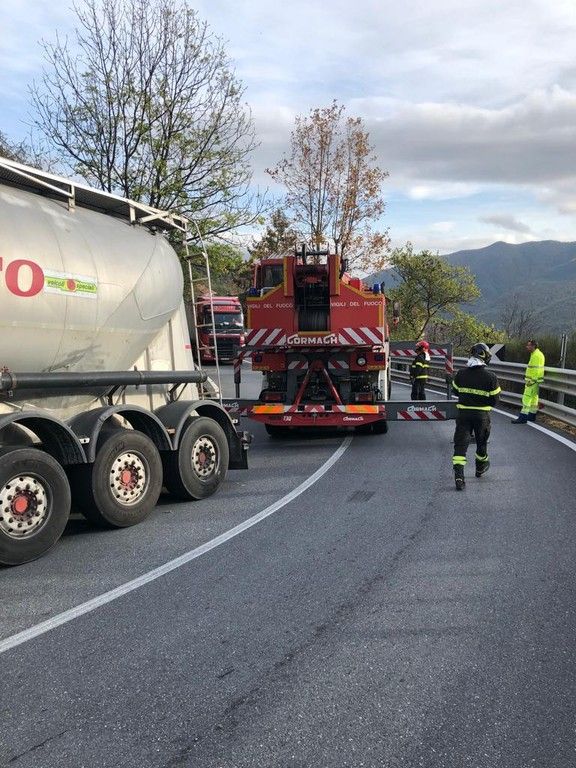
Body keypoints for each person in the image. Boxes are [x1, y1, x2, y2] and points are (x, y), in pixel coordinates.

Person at [452, 343, 501, 491]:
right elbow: (495, 400)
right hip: (482, 416)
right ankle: (480, 467)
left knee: (460, 445)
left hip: (463, 415)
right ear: (485, 357)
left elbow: (456, 391)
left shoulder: (460, 374)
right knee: (481, 443)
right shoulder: (491, 377)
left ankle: (459, 476)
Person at [511, 339, 545, 424]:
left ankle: (523, 418)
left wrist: (531, 381)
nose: (527, 347)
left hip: (532, 381)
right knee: (534, 399)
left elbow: (536, 370)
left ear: (533, 346)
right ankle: (531, 416)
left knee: (526, 399)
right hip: (536, 381)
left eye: (528, 345)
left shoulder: (536, 355)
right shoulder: (538, 354)